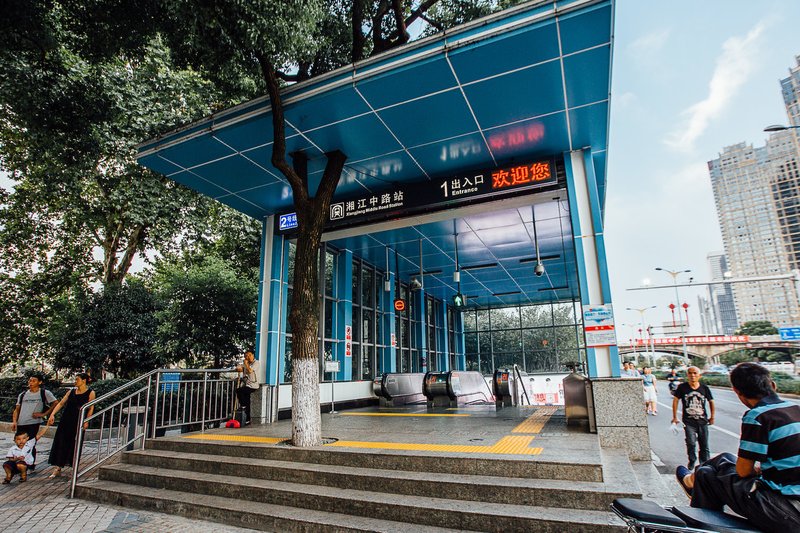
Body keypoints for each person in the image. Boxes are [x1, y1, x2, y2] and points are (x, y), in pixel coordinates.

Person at [675, 363, 800, 532]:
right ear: (773, 385)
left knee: (707, 474)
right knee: (722, 461)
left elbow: (743, 471)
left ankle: (692, 481)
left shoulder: (758, 416)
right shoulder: (795, 408)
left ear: (737, 392)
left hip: (786, 510)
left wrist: (758, 470)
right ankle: (692, 481)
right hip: (789, 503)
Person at [47, 373, 95, 478]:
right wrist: (52, 414)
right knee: (61, 441)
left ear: (84, 380)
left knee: (76, 443)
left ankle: (74, 467)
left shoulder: (91, 393)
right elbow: (61, 403)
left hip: (79, 420)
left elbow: (91, 407)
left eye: (77, 379)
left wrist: (86, 421)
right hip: (66, 419)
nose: (75, 381)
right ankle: (58, 467)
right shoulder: (71, 391)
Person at [672, 366, 715, 469]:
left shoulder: (704, 388)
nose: (692, 375)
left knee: (704, 445)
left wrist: (712, 416)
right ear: (687, 375)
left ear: (699, 375)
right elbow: (675, 401)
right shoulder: (682, 387)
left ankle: (704, 465)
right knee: (691, 443)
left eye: (695, 373)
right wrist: (675, 417)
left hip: (702, 421)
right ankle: (692, 460)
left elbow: (711, 401)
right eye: (690, 373)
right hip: (688, 421)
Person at [11, 374, 57, 470]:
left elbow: (55, 403)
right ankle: (21, 463)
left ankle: (29, 464)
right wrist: (14, 421)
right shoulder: (23, 394)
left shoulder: (44, 393)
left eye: (33, 381)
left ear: (39, 382)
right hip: (21, 422)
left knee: (30, 443)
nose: (30, 383)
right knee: (20, 443)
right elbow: (17, 409)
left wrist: (44, 414)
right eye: (30, 381)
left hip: (33, 422)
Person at [235, 351, 260, 425]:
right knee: (247, 400)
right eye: (246, 356)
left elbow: (250, 371)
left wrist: (245, 364)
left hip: (253, 385)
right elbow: (239, 368)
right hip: (247, 384)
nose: (248, 357)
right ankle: (247, 418)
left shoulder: (256, 363)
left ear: (253, 355)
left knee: (239, 390)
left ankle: (243, 406)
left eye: (249, 355)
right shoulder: (246, 363)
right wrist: (239, 368)